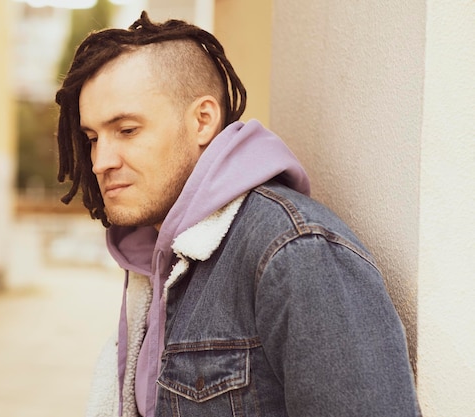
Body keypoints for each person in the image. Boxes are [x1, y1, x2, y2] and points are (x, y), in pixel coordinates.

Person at [54, 11, 421, 417]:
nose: (100, 161)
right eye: (91, 138)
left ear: (203, 121)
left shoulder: (296, 254)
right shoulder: (156, 259)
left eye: (126, 130)